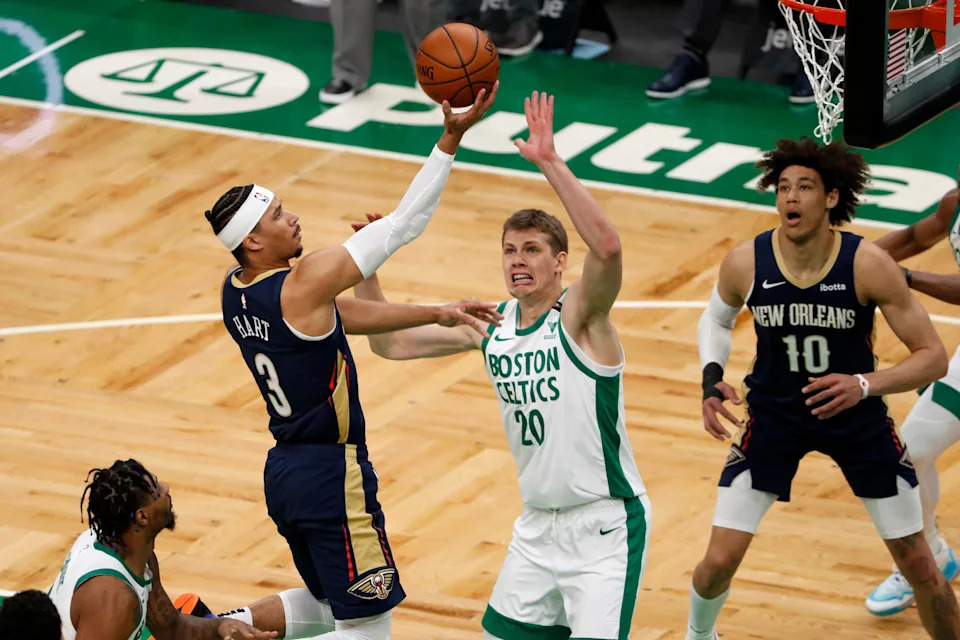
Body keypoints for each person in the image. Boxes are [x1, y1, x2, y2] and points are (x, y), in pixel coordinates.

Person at [351, 90, 651, 640]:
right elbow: (388, 345)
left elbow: (607, 248)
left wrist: (550, 163)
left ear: (560, 263)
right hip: (536, 529)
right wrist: (372, 258)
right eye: (511, 250)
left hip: (604, 528)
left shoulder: (581, 317)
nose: (519, 259)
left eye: (533, 249)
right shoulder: (493, 325)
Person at [205, 87, 498, 639]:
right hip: (331, 473)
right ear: (252, 241)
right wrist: (450, 139)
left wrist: (437, 311)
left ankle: (224, 627)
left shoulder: (237, 291)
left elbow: (343, 317)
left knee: (325, 606)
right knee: (369, 623)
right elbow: (407, 223)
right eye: (276, 216)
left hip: (287, 475)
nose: (292, 219)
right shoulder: (304, 278)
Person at [686, 137, 960, 640]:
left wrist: (864, 384)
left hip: (858, 425)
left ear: (831, 198)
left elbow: (934, 357)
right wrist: (710, 375)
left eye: (805, 187)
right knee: (719, 559)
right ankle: (699, 635)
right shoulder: (746, 261)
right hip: (774, 419)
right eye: (783, 187)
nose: (790, 197)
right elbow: (717, 317)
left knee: (920, 565)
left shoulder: (866, 265)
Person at [865, 169, 960, 616]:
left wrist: (903, 278)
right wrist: (848, 256)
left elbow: (906, 268)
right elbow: (914, 237)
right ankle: (930, 553)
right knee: (913, 447)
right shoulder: (954, 202)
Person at [48, 459, 274, 640]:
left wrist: (220, 626)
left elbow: (171, 629)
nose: (167, 489)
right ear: (142, 517)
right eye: (157, 489)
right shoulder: (113, 599)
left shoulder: (131, 554)